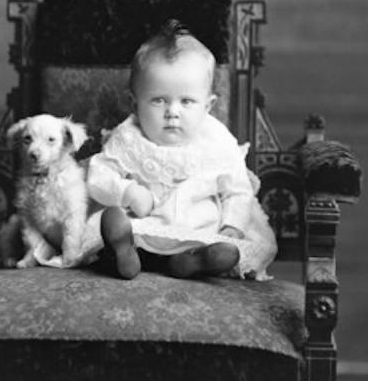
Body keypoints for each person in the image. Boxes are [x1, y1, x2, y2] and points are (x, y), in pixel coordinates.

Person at [87, 19, 277, 280]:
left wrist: (231, 225)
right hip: (143, 228)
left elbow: (238, 190)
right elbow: (99, 174)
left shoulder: (217, 141)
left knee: (223, 247)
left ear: (208, 106)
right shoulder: (130, 136)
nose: (172, 112)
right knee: (114, 227)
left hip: (199, 231)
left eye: (186, 101)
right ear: (135, 103)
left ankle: (195, 262)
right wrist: (128, 192)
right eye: (159, 100)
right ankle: (123, 249)